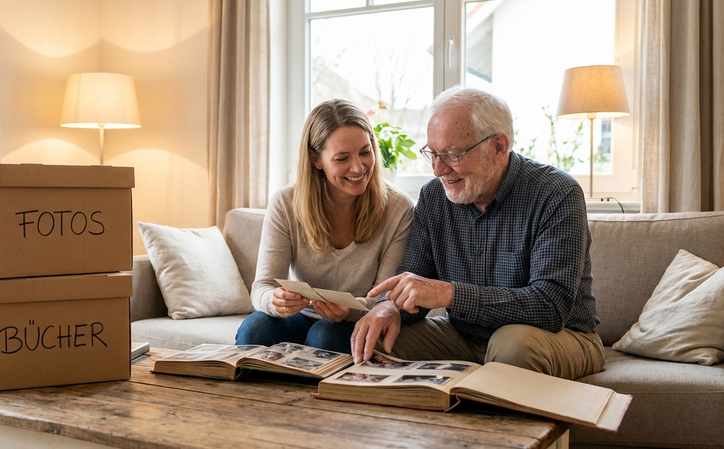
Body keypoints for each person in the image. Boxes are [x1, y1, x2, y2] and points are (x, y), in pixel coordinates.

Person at [350, 86, 606, 380]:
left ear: (499, 146)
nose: (437, 169)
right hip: (463, 337)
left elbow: (549, 307)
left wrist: (449, 294)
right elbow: (411, 279)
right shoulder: (434, 197)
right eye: (432, 153)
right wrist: (388, 308)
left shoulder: (556, 193)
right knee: (375, 341)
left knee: (511, 346)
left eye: (452, 154)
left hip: (559, 337)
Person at [235, 98, 415, 354]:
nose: (358, 167)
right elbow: (262, 287)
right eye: (342, 158)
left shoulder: (398, 209)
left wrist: (348, 310)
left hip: (356, 320)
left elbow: (383, 298)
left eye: (365, 151)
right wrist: (275, 301)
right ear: (316, 159)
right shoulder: (286, 203)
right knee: (256, 328)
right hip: (300, 317)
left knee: (325, 335)